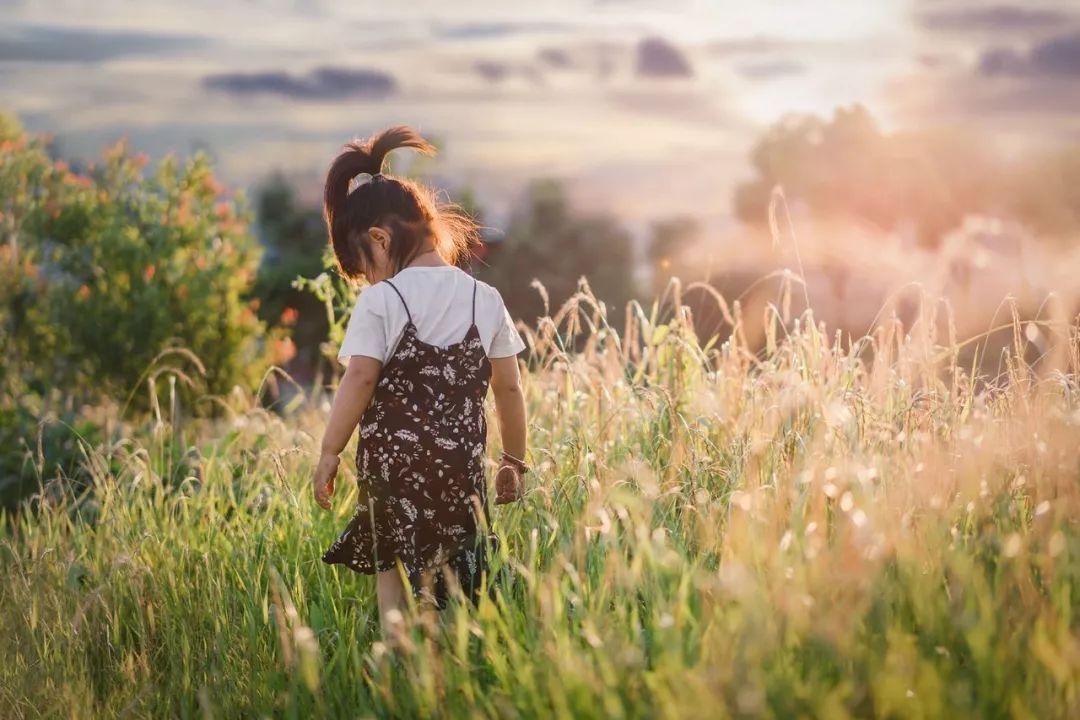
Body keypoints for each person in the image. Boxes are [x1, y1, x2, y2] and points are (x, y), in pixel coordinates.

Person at [312, 126, 529, 634]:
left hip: (392, 467)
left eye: (365, 268)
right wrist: (515, 460)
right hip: (460, 464)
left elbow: (360, 379)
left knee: (389, 560)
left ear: (380, 241)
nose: (369, 281)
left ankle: (396, 647)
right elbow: (509, 389)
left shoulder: (382, 301)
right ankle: (449, 645)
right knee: (455, 563)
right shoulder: (485, 299)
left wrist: (329, 450)